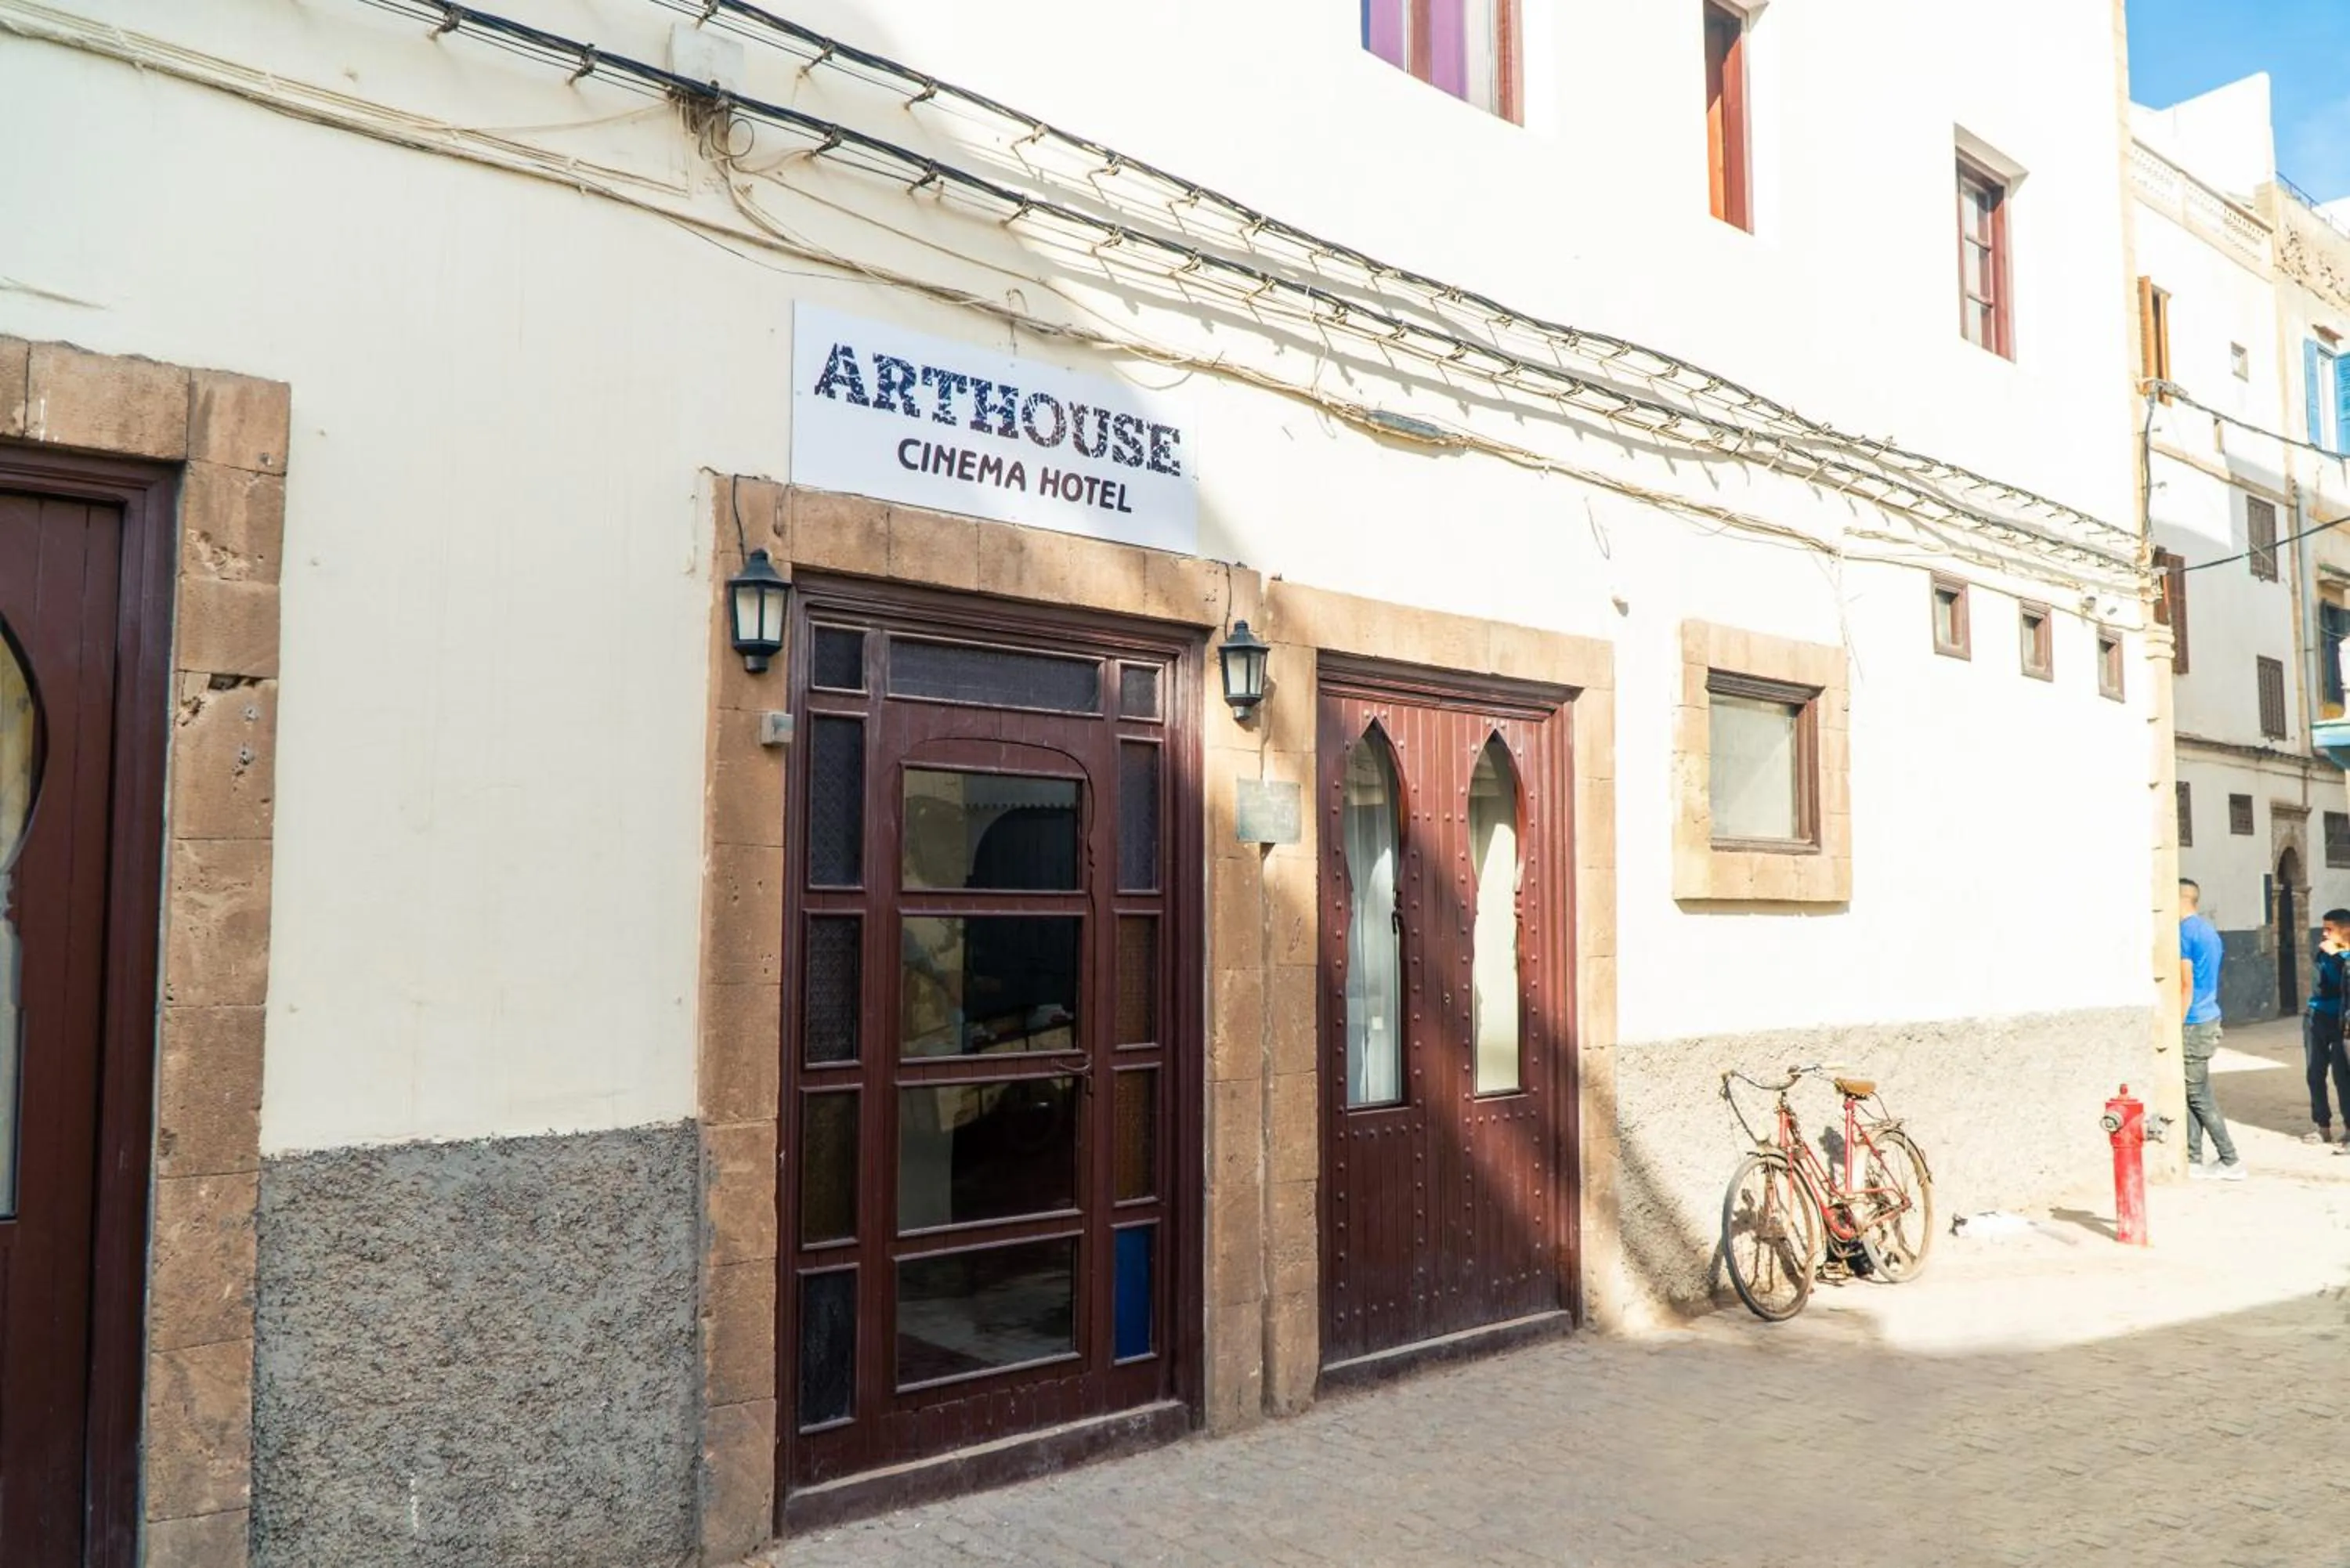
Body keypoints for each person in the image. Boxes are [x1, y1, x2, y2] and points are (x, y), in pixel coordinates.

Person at [2178, 879, 2243, 1179]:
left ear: (2179, 899)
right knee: (2192, 1092)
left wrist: (2176, 1023)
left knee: (2199, 1095)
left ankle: (2230, 1160)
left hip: (2194, 1021)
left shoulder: (2184, 933)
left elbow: (2186, 983)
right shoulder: (2208, 931)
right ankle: (2193, 1158)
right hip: (2208, 1015)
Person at [2307, 908, 2350, 1149]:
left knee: (2342, 1077)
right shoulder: (2324, 951)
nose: (2324, 934)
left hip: (2341, 1020)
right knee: (2315, 1072)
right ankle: (2322, 1126)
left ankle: (2348, 1127)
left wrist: (2339, 956)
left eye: (2329, 929)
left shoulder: (2340, 955)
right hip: (2318, 1014)